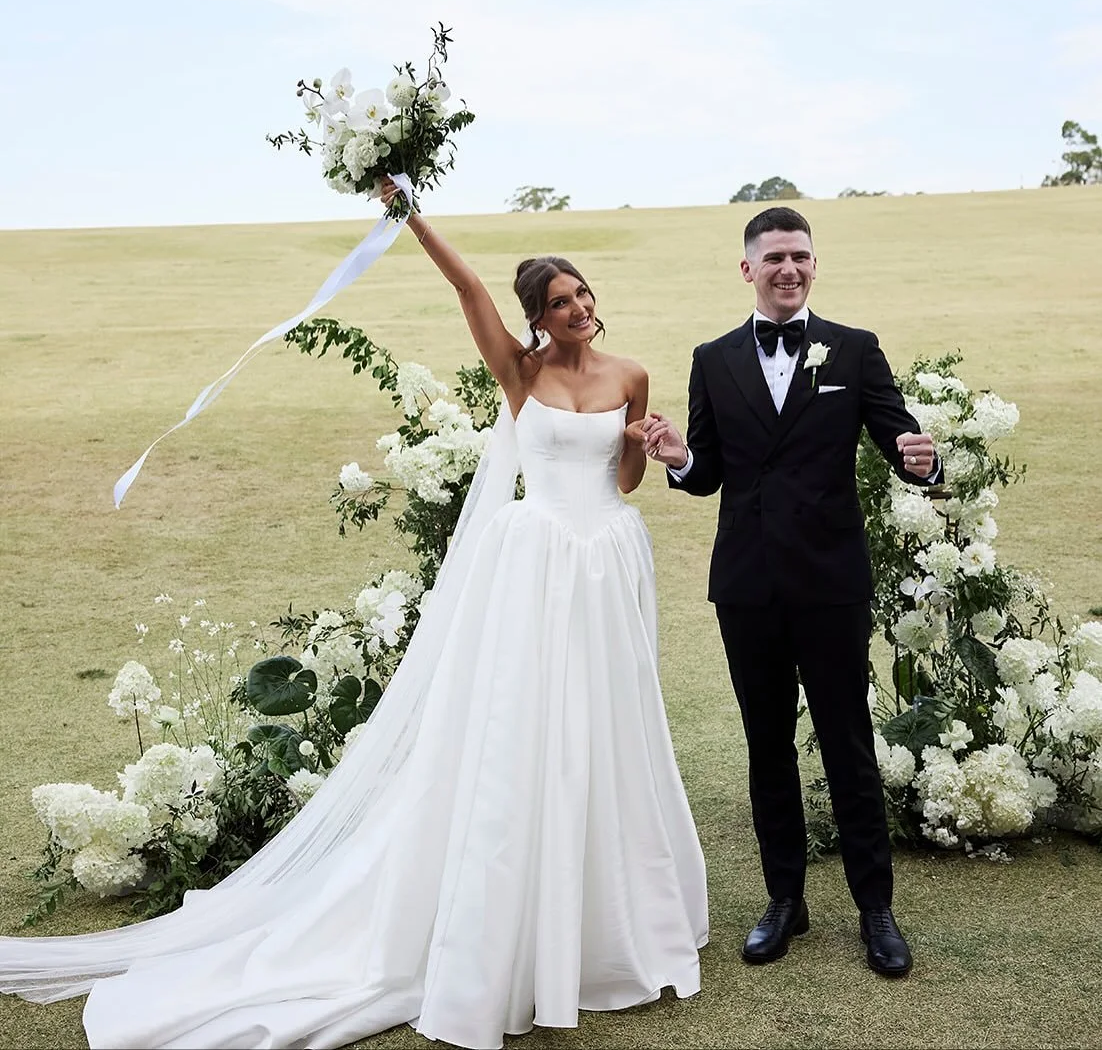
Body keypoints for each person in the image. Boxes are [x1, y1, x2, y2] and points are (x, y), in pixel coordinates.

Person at [0, 185, 707, 1050]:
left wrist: (650, 447)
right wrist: (411, 216)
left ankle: (607, 916)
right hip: (536, 567)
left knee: (609, 726)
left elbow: (625, 482)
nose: (578, 309)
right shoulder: (521, 373)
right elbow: (467, 293)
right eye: (559, 302)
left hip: (605, 564)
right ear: (536, 318)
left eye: (583, 294)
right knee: (528, 726)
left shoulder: (631, 375)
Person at [641, 206, 938, 980]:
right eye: (774, 257)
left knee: (849, 744)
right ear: (748, 269)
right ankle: (784, 900)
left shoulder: (855, 348)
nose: (789, 268)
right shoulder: (713, 358)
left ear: (813, 264)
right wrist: (678, 457)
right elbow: (707, 472)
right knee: (766, 743)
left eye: (801, 256)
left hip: (831, 584)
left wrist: (922, 462)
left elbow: (899, 441)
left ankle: (877, 908)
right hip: (747, 586)